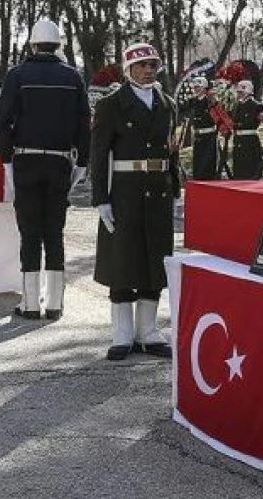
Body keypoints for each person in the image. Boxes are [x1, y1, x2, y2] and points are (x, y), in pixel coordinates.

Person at [0, 22, 88, 320]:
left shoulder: (17, 75)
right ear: (58, 45)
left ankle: (31, 303)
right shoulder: (73, 76)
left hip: (26, 161)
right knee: (54, 232)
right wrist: (82, 163)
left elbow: (1, 123)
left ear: (32, 45)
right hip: (60, 162)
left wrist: (6, 159)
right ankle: (55, 303)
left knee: (30, 232)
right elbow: (84, 124)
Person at [91, 42, 180, 361]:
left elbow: (171, 149)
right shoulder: (111, 104)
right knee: (123, 261)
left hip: (158, 190)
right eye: (141, 65)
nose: (148, 70)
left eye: (153, 65)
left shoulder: (167, 103)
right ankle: (123, 334)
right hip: (125, 192)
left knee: (154, 262)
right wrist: (101, 199)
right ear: (128, 69)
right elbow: (99, 154)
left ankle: (149, 332)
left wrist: (176, 186)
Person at [230, 79, 263, 179]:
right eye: (238, 92)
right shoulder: (237, 105)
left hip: (249, 142)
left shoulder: (256, 105)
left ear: (248, 91)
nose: (239, 94)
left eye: (241, 92)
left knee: (249, 170)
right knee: (238, 170)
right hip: (238, 141)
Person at [186, 76, 220, 180]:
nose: (196, 89)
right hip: (197, 136)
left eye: (199, 87)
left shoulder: (210, 102)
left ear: (205, 88)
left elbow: (218, 117)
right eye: (195, 87)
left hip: (208, 136)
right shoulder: (193, 102)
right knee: (198, 162)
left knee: (208, 164)